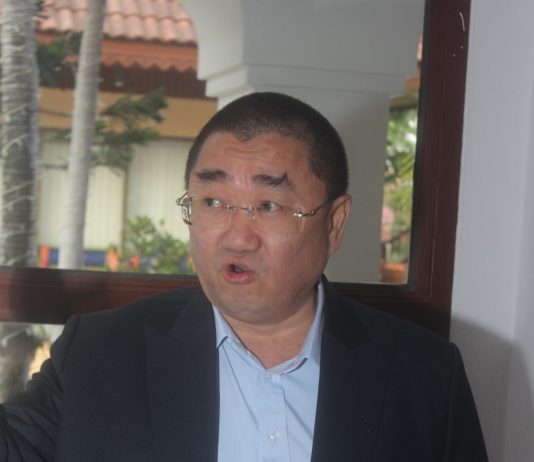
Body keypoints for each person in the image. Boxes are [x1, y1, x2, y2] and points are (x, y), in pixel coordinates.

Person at [0, 92, 487, 461]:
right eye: (213, 202)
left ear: (335, 223)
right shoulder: (99, 354)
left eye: (269, 206)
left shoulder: (424, 375)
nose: (237, 238)